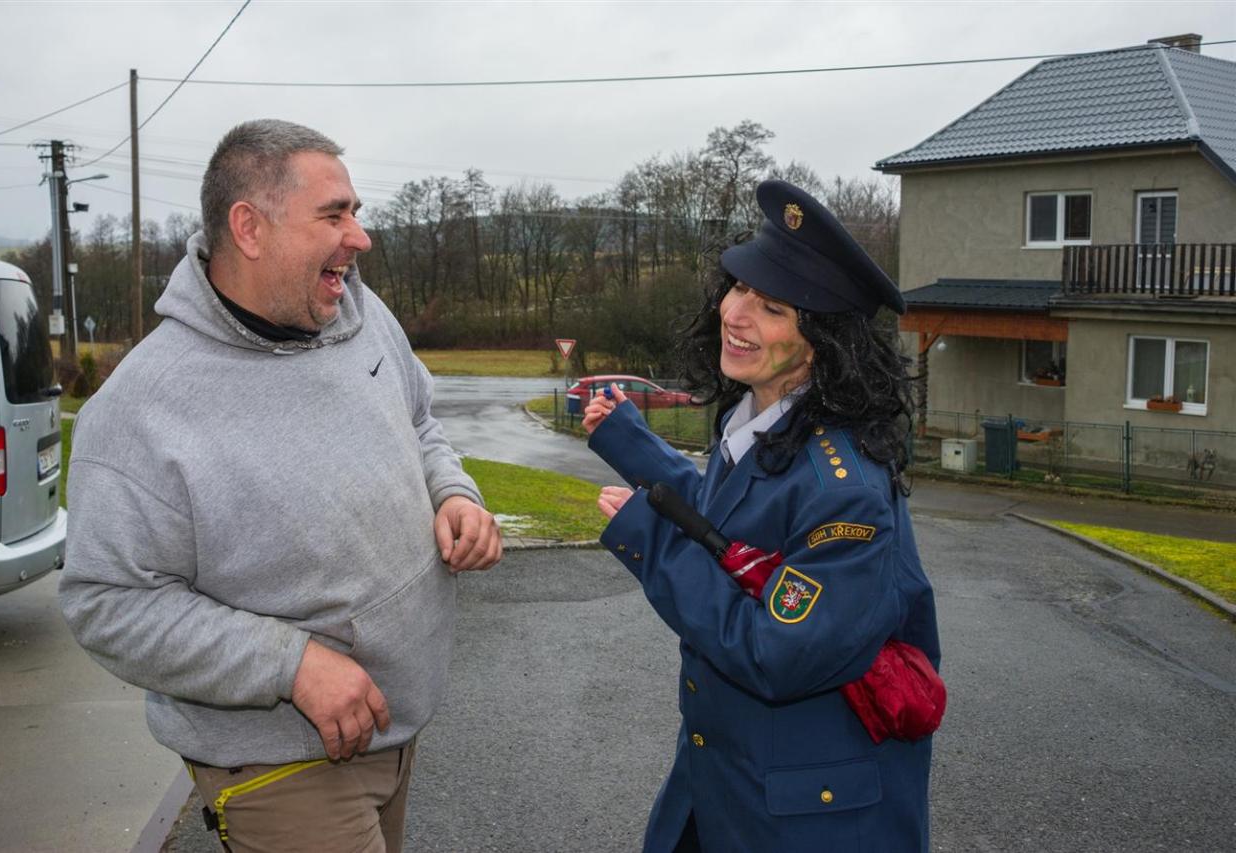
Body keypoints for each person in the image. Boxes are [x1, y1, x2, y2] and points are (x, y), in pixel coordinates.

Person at [58, 119, 502, 853]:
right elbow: (108, 602)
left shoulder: (362, 316)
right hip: (279, 760)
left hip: (394, 725)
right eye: (334, 215)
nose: (360, 237)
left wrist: (453, 493)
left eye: (355, 212)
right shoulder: (141, 409)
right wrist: (289, 665)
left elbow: (419, 418)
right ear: (250, 228)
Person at [583, 179, 941, 852]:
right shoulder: (760, 419)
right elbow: (732, 527)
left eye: (771, 306)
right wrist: (631, 444)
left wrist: (650, 542)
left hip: (806, 823)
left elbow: (776, 652)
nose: (735, 312)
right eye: (739, 286)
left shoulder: (847, 492)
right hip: (726, 783)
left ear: (820, 341)